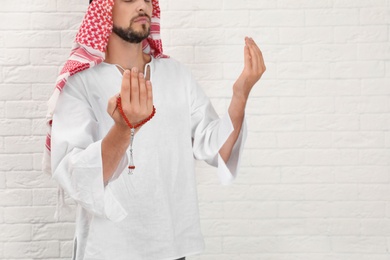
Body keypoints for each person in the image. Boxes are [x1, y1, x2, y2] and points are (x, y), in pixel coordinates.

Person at [43, 0, 265, 259]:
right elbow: (76, 177)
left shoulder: (177, 75)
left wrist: (240, 95)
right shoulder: (79, 84)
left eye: (148, 0)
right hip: (107, 248)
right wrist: (124, 129)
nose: (142, 5)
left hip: (171, 246)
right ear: (103, 9)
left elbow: (221, 152)